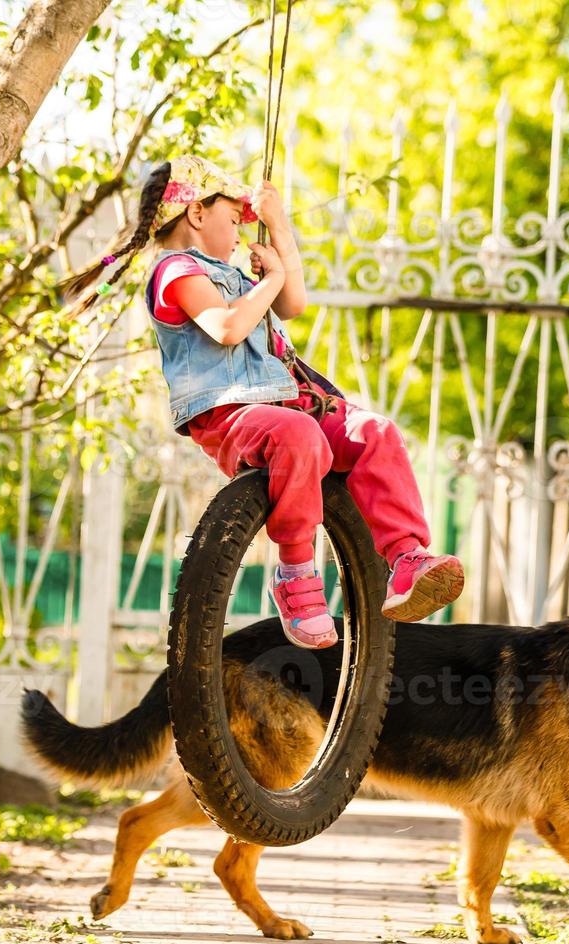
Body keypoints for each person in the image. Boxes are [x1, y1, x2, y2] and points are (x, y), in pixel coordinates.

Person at [61, 156, 463, 650]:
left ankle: (405, 560)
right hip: (230, 413)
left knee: (374, 432)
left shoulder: (228, 272)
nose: (238, 233)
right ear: (196, 214)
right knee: (299, 437)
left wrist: (280, 229)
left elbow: (293, 304)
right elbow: (226, 328)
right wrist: (267, 282)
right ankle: (295, 573)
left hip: (294, 401)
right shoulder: (175, 271)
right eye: (234, 219)